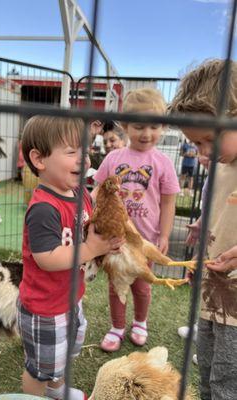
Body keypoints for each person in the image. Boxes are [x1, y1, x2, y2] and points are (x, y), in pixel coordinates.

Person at [17, 115, 123, 399]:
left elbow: (89, 224)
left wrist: (106, 238)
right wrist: (91, 249)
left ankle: (56, 390)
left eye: (85, 151)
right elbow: (47, 258)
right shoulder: (44, 208)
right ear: (39, 159)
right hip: (44, 309)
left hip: (70, 298)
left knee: (65, 351)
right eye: (72, 152)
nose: (84, 159)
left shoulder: (79, 194)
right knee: (40, 367)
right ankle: (37, 394)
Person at [92, 88, 180, 352]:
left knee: (142, 286)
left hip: (145, 241)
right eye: (139, 126)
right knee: (116, 286)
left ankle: (140, 322)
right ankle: (117, 327)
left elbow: (168, 202)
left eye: (154, 126)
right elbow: (96, 191)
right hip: (115, 239)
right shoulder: (113, 158)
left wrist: (163, 235)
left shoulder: (163, 162)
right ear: (125, 126)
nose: (146, 133)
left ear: (163, 126)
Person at [170, 59, 237, 400]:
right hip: (215, 290)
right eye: (196, 145)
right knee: (208, 366)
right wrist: (201, 221)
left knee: (228, 377)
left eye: (209, 140)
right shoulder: (223, 166)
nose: (203, 153)